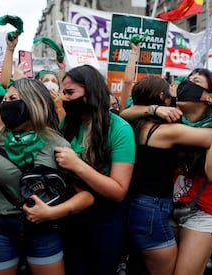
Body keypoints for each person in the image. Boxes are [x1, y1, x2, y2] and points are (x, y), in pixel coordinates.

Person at [121, 68, 212, 275]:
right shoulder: (170, 116)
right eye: (185, 80)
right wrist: (155, 109)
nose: (185, 85)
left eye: (194, 81)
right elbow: (126, 111)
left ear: (210, 96)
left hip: (201, 210)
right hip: (166, 208)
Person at [0, 78, 94, 275]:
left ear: (33, 103)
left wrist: (51, 213)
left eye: (12, 98)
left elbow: (86, 196)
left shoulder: (57, 144)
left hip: (43, 230)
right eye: (4, 99)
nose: (5, 104)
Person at [55, 64, 136, 275]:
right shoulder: (68, 122)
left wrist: (77, 165)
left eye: (71, 92)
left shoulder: (120, 130)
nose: (66, 98)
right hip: (72, 213)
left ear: (91, 92)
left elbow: (118, 191)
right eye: (64, 93)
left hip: (105, 220)